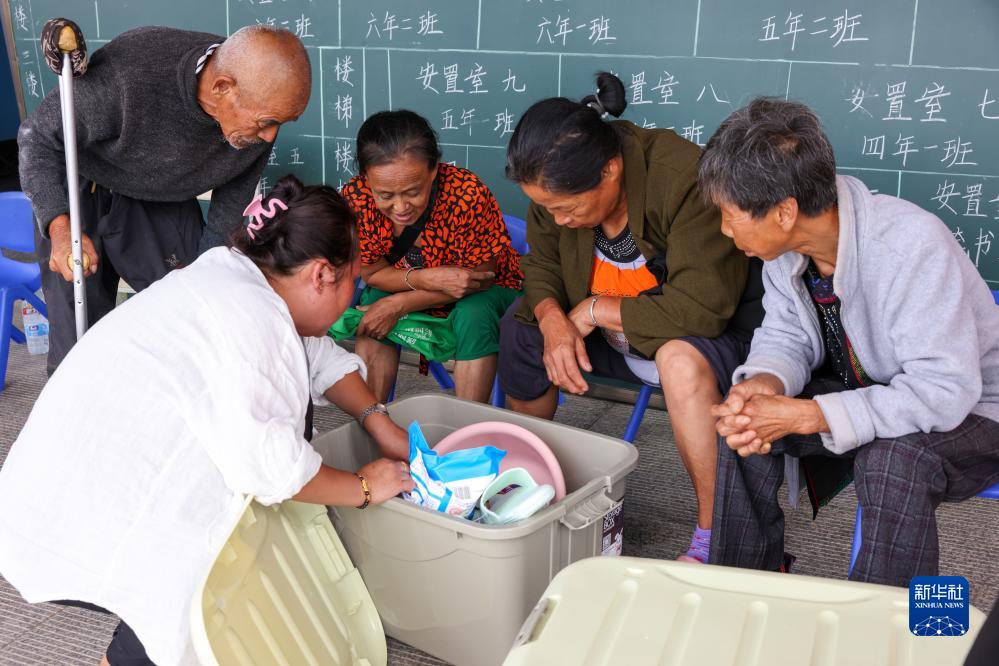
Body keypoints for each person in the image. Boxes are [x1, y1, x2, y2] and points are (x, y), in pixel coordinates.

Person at [0, 175, 415, 665]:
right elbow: (274, 470)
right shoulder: (254, 325)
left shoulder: (239, 277)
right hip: (90, 510)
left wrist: (377, 419)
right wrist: (364, 487)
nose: (353, 294)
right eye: (353, 281)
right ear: (322, 274)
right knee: (191, 584)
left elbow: (314, 354)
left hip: (59, 477)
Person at [700, 98, 999, 585]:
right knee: (745, 420)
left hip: (975, 410)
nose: (724, 228)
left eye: (730, 214)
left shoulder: (909, 246)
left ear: (784, 212)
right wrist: (765, 384)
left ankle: (891, 621)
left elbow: (943, 390)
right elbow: (785, 333)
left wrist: (811, 415)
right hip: (873, 393)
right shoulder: (785, 252)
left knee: (892, 461)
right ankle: (739, 584)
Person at [499, 72, 762, 563]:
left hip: (705, 336)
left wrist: (594, 309)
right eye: (546, 209)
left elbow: (701, 309)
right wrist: (553, 319)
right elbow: (541, 263)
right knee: (524, 329)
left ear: (610, 170)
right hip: (609, 337)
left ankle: (714, 536)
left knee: (680, 360)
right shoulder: (553, 188)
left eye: (566, 208)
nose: (557, 219)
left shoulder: (685, 179)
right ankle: (528, 489)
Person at [18, 24, 312, 374]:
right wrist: (59, 228)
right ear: (222, 88)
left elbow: (232, 203)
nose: (270, 136)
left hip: (160, 196)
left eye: (282, 123)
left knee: (197, 313)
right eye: (267, 122)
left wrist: (207, 267)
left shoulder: (257, 106)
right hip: (83, 185)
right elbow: (37, 138)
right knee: (76, 341)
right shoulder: (130, 74)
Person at [341, 110, 523, 403]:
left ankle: (468, 422)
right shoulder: (356, 198)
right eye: (385, 195)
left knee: (474, 313)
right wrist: (425, 279)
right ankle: (371, 416)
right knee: (375, 306)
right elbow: (372, 273)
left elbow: (482, 278)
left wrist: (401, 303)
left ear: (434, 169)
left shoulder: (466, 194)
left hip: (487, 289)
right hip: (406, 282)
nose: (400, 207)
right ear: (366, 179)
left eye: (413, 192)